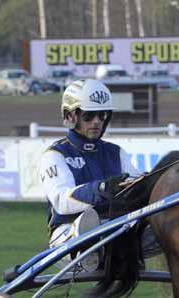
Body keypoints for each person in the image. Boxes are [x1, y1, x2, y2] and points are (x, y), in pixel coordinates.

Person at [38, 79, 141, 296]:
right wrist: (101, 188)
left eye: (102, 115)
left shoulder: (116, 153)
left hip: (114, 229)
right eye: (88, 116)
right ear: (70, 117)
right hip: (67, 233)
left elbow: (136, 186)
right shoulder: (55, 155)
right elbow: (61, 201)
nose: (96, 122)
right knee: (87, 222)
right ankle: (97, 251)